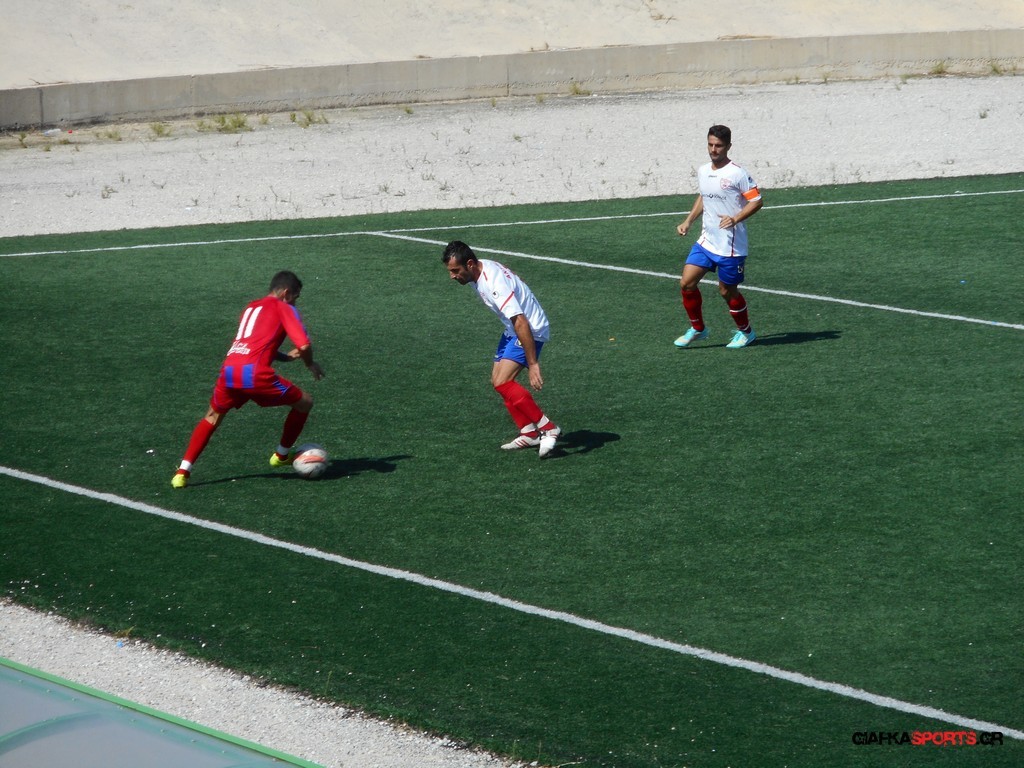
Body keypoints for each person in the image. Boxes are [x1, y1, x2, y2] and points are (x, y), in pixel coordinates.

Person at [171, 270, 325, 488]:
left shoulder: (251, 307)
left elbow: (254, 343)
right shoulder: (284, 307)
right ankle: (281, 456)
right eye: (295, 297)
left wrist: (284, 357)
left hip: (229, 369)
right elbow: (304, 345)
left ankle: (182, 473)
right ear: (286, 293)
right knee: (305, 403)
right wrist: (309, 363)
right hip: (254, 374)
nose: (295, 302)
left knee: (212, 416)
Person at [442, 241, 561, 458]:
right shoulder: (480, 268)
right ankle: (529, 432)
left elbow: (521, 321)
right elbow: (513, 277)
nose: (452, 276)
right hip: (512, 328)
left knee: (503, 382)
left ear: (470, 264)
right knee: (497, 380)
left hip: (529, 329)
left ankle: (548, 428)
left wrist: (533, 364)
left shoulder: (493, 284)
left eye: (455, 271)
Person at [675, 124, 763, 349]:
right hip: (707, 241)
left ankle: (746, 332)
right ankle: (698, 329)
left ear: (728, 146)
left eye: (719, 146)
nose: (714, 150)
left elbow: (756, 201)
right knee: (687, 283)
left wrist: (735, 218)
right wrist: (688, 221)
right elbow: (704, 196)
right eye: (711, 145)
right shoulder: (704, 170)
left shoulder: (737, 173)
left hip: (730, 247)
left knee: (726, 291)